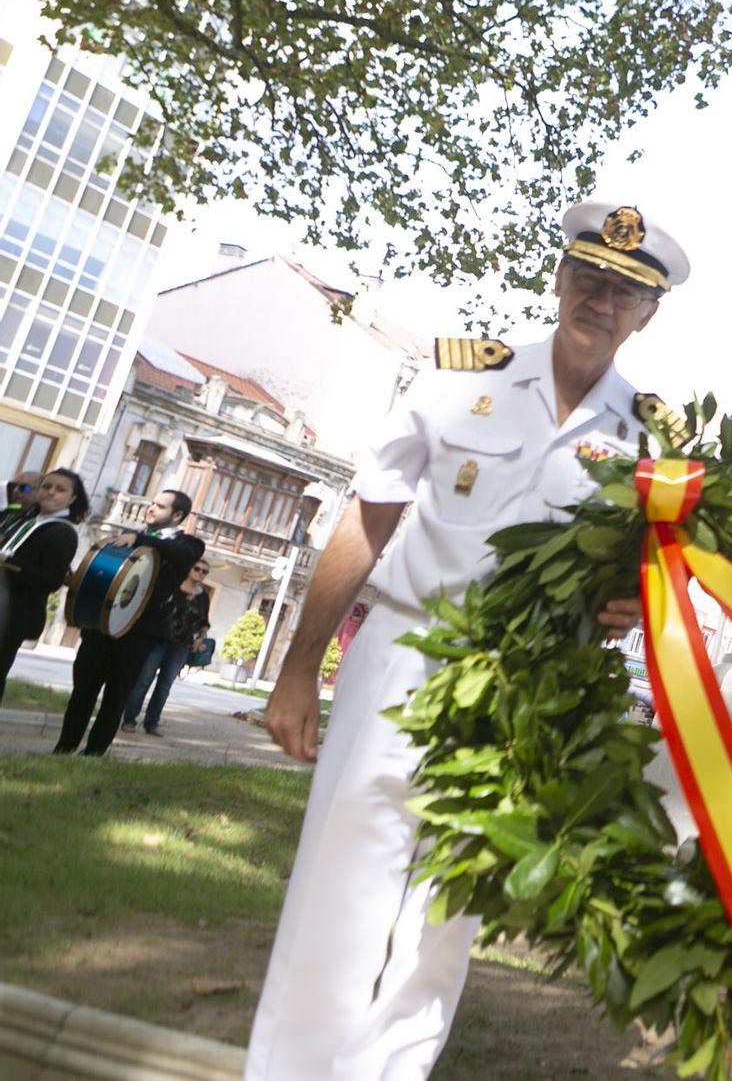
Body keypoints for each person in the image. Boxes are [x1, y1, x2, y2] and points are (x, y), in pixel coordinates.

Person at [246, 201, 688, 1080]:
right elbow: (366, 521)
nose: (601, 300)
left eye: (625, 290)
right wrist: (298, 671)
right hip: (404, 657)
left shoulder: (653, 438)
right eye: (589, 277)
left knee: (447, 912)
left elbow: (646, 572)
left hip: (529, 687)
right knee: (342, 884)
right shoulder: (457, 377)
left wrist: (630, 601)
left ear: (649, 312)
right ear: (558, 278)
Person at [53, 488, 205, 755]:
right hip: (102, 627)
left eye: (159, 506)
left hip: (139, 635)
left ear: (177, 515)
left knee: (117, 695)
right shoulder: (130, 537)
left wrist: (139, 538)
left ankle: (95, 752)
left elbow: (179, 555)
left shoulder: (189, 544)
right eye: (151, 503)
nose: (151, 508)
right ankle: (64, 748)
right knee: (83, 691)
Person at [0, 468, 89, 706]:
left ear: (72, 498)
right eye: (47, 486)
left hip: (13, 613)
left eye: (60, 489)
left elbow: (50, 580)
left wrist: (8, 562)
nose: (51, 492)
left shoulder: (63, 532)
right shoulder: (25, 519)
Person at [121, 557, 211, 734]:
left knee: (164, 686)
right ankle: (129, 719)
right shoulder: (173, 588)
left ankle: (152, 723)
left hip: (181, 646)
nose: (200, 573)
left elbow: (204, 622)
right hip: (158, 641)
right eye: (197, 568)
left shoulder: (203, 597)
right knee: (143, 681)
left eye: (204, 571)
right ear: (189, 569)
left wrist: (201, 638)